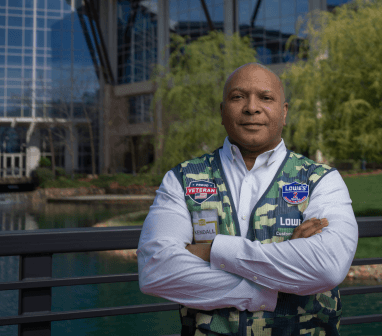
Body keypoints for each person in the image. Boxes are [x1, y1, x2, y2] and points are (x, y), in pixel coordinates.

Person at [137, 63, 358, 336]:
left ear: (284, 112)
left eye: (265, 98)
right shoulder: (182, 179)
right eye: (238, 97)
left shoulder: (321, 180)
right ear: (222, 112)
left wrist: (212, 252)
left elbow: (327, 267)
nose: (252, 107)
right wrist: (281, 273)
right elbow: (156, 270)